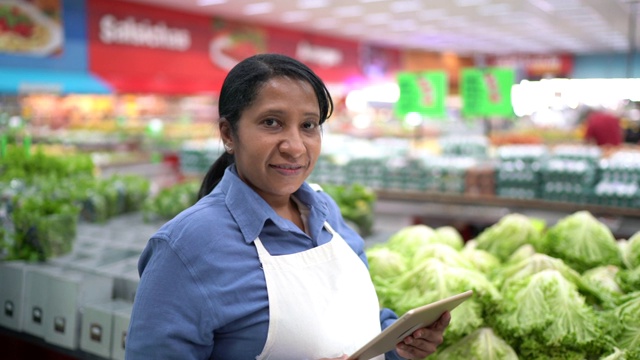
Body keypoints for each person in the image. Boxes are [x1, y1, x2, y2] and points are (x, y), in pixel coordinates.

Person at [125, 53, 450, 360]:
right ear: (228, 134)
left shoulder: (326, 214)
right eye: (271, 122)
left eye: (308, 125)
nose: (295, 147)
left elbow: (350, 322)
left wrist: (399, 344)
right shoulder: (186, 247)